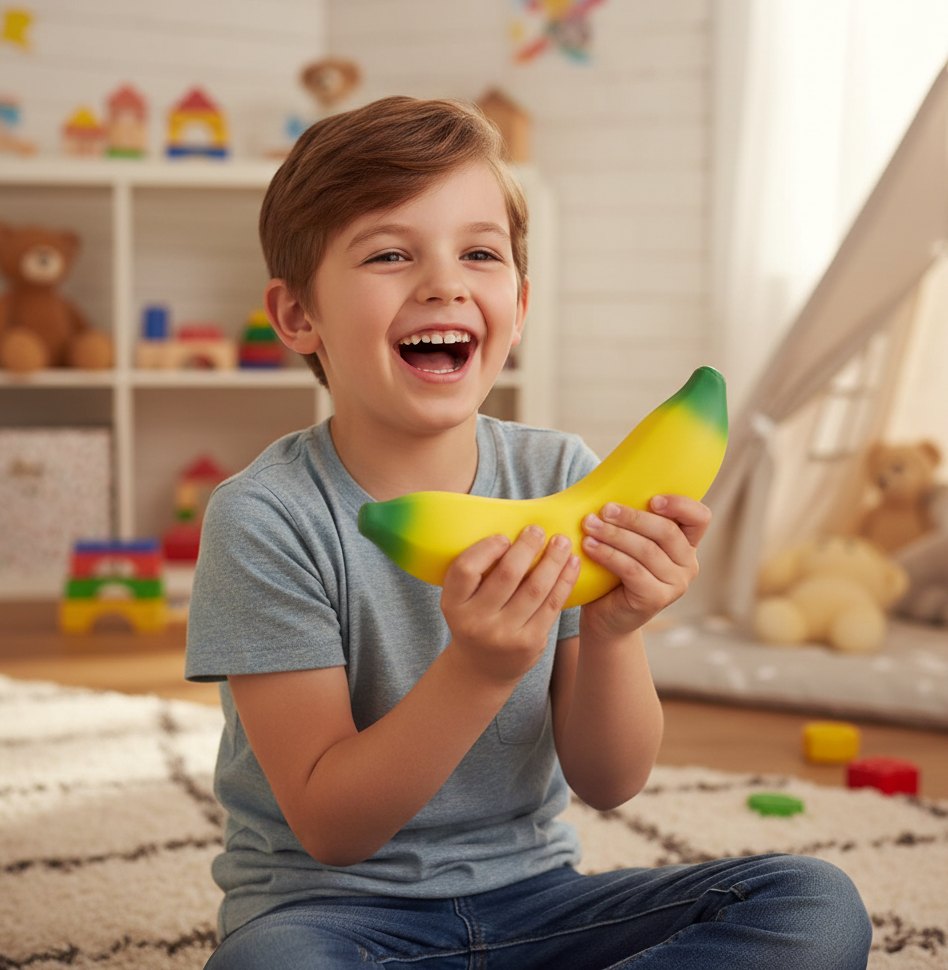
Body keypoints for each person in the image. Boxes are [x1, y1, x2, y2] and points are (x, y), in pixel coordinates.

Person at [185, 95, 872, 969]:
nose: (444, 283)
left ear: (519, 301)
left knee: (812, 904)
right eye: (391, 254)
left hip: (542, 905)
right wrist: (477, 670)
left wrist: (618, 632)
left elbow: (612, 780)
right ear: (297, 317)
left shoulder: (562, 479)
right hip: (333, 920)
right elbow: (332, 828)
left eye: (480, 253)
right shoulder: (266, 516)